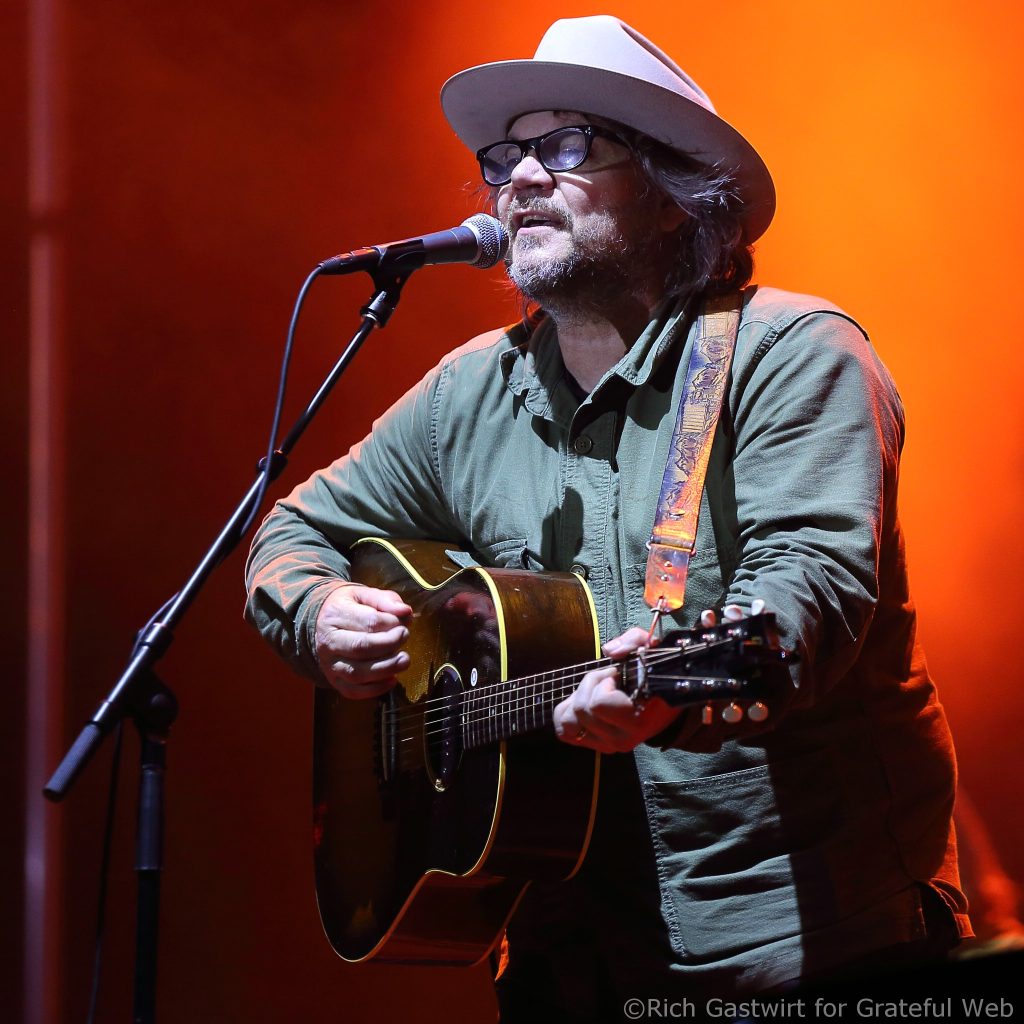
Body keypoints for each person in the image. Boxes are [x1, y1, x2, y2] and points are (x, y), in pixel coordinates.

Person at [244, 15, 971, 1019]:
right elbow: (289, 535)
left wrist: (672, 688)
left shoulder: (793, 354)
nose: (520, 176)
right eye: (505, 155)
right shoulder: (467, 395)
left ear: (673, 194)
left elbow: (809, 587)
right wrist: (320, 610)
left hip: (797, 943)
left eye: (569, 144)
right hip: (561, 950)